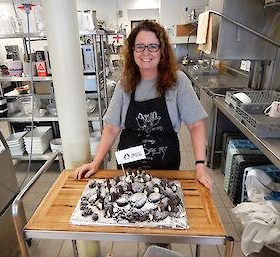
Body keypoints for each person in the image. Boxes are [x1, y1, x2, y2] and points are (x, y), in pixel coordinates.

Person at [74, 19, 213, 191]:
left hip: (165, 168)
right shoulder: (124, 84)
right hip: (129, 170)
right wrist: (96, 163)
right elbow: (111, 128)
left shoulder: (178, 82)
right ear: (132, 51)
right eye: (140, 46)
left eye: (153, 46)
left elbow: (196, 125)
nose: (146, 52)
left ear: (162, 51)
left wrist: (200, 166)